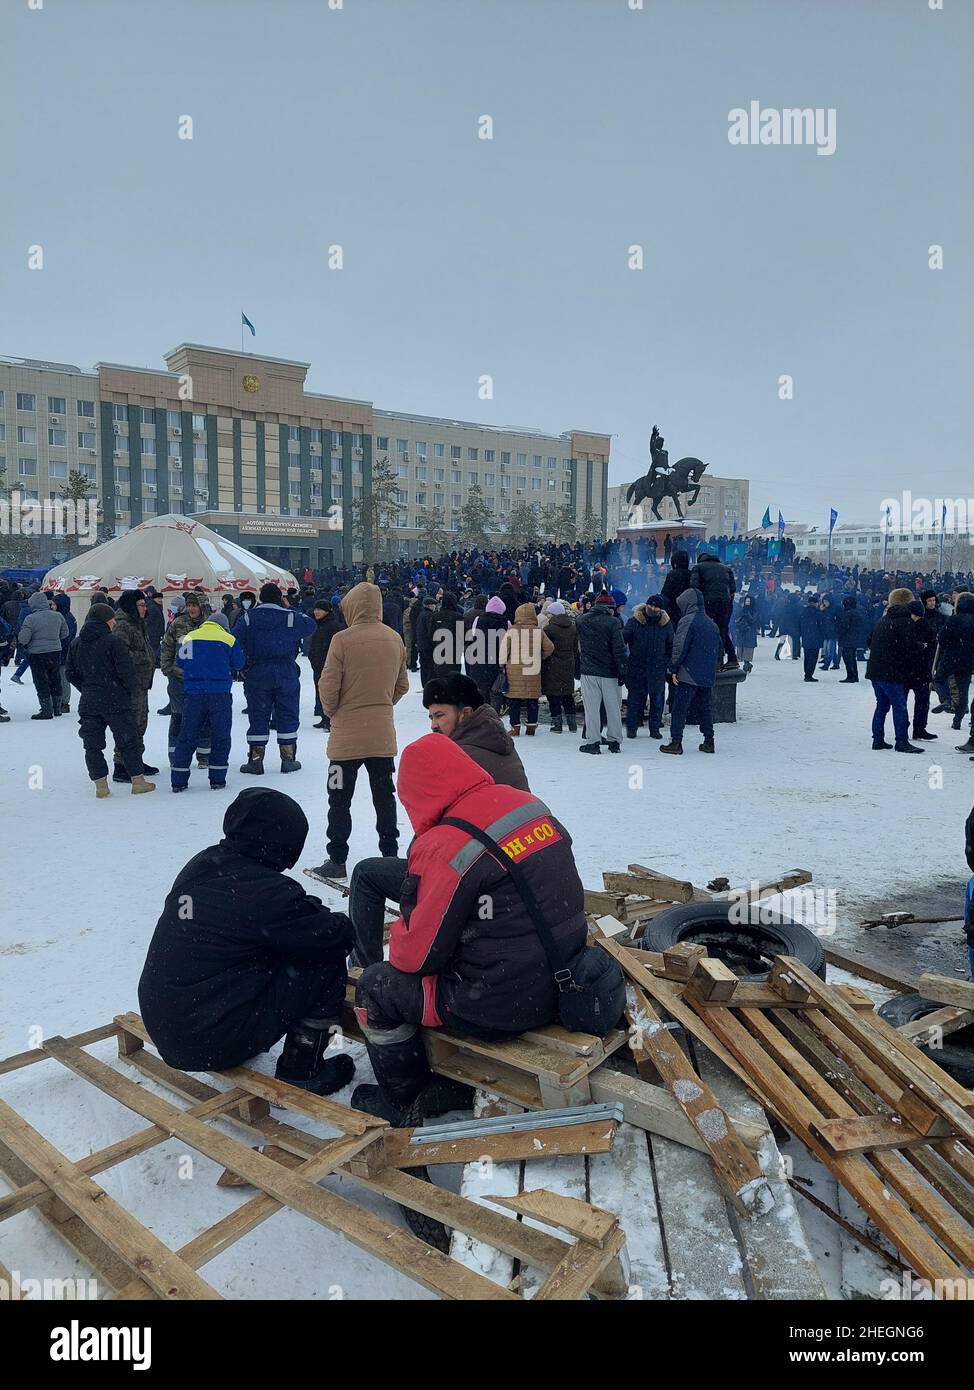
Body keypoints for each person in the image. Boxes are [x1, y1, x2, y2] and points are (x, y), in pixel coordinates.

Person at [351, 735, 589, 1124]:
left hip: (500, 1004)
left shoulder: (447, 844)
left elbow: (415, 958)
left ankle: (404, 1100)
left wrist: (414, 912)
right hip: (567, 972)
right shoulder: (525, 804)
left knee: (377, 986)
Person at [138, 788, 354, 1095]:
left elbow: (257, 917)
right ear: (285, 842)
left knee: (278, 945)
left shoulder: (202, 863)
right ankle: (302, 1070)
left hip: (167, 1025)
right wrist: (314, 913)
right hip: (206, 1040)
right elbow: (337, 935)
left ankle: (235, 1028)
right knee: (323, 958)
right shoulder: (267, 891)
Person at [345, 673, 531, 969]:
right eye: (430, 716)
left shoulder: (460, 756)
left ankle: (362, 970)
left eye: (440, 715)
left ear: (466, 713)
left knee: (367, 874)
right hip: (513, 868)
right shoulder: (495, 740)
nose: (433, 724)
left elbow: (432, 838)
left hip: (479, 877)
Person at [308, 582, 408, 881]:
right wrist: (380, 704)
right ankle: (390, 855)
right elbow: (402, 685)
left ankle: (337, 858)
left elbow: (328, 684)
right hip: (381, 736)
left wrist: (333, 710)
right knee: (384, 796)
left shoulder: (342, 639)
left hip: (345, 741)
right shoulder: (394, 639)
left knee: (339, 798)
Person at [65, 603, 156, 796]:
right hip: (116, 700)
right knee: (128, 741)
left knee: (92, 744)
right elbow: (127, 673)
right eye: (113, 619)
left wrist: (87, 688)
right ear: (106, 620)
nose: (115, 622)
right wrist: (126, 690)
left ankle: (101, 786)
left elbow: (70, 673)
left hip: (89, 702)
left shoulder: (77, 643)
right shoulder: (113, 642)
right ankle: (138, 782)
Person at [234, 583, 316, 774]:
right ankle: (288, 758)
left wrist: (243, 665)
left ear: (260, 598)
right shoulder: (290, 616)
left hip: (257, 671)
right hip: (285, 671)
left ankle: (255, 760)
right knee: (287, 713)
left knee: (258, 715)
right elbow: (310, 625)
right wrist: (289, 608)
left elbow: (234, 640)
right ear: (280, 598)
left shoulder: (248, 617)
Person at [170, 611, 245, 791]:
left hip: (193, 695)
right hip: (220, 695)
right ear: (223, 626)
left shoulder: (188, 637)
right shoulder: (228, 639)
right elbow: (240, 663)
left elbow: (180, 662)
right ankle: (217, 778)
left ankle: (179, 780)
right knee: (220, 736)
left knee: (187, 736)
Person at [660, 588, 721, 755]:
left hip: (688, 672)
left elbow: (680, 647)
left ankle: (676, 742)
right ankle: (709, 741)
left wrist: (673, 668)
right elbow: (718, 649)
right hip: (707, 673)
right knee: (705, 707)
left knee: (680, 708)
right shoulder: (711, 623)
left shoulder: (688, 620)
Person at [865, 588, 924, 753]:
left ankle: (877, 739)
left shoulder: (883, 619)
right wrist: (921, 646)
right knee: (900, 706)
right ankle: (901, 741)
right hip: (891, 672)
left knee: (881, 706)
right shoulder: (905, 622)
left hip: (875, 670)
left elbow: (869, 640)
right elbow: (910, 646)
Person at [110, 591, 159, 781]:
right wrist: (144, 658)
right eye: (140, 604)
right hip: (129, 686)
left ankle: (135, 760)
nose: (144, 608)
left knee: (140, 724)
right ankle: (120, 764)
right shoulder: (123, 627)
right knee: (128, 725)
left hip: (141, 684)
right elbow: (119, 655)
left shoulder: (138, 625)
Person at [161, 593, 211, 763]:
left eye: (194, 605)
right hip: (179, 679)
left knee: (204, 718)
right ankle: (175, 755)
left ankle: (204, 754)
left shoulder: (211, 625)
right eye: (189, 605)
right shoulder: (178, 623)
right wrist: (168, 668)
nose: (191, 609)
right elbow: (167, 646)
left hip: (203, 680)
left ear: (202, 606)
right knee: (178, 717)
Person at [577, 592, 628, 754]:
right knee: (613, 708)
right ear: (609, 608)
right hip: (610, 672)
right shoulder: (613, 623)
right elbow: (619, 650)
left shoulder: (582, 621)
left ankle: (593, 742)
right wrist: (622, 671)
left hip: (589, 671)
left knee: (591, 709)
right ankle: (614, 741)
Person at [499, 601, 553, 736]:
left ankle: (515, 727)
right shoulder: (538, 631)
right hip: (532, 670)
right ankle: (531, 727)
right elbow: (550, 648)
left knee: (514, 700)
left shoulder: (511, 631)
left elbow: (504, 651)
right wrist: (540, 656)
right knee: (532, 699)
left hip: (514, 670)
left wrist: (502, 664)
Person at [624, 595, 672, 739]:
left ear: (661, 609)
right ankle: (632, 728)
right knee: (635, 700)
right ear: (646, 605)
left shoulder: (666, 625)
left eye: (656, 606)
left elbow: (670, 645)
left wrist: (667, 664)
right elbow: (623, 640)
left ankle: (655, 728)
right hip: (637, 667)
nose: (653, 608)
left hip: (658, 669)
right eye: (651, 605)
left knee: (657, 701)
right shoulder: (634, 622)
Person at [18, 592, 67, 720]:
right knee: (55, 678)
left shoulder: (30, 619)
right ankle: (57, 708)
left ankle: (46, 710)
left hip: (37, 654)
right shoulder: (58, 616)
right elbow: (65, 633)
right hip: (55, 652)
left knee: (41, 681)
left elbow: (24, 638)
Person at [933, 592, 974, 735]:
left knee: (938, 680)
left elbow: (943, 639)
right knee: (963, 692)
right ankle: (957, 720)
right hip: (969, 660)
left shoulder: (953, 619)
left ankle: (946, 699)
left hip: (951, 658)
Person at [689, 551, 738, 668]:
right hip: (724, 605)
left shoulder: (698, 568)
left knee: (707, 630)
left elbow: (695, 588)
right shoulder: (726, 569)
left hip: (707, 604)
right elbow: (733, 589)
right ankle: (729, 658)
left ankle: (714, 661)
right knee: (722, 631)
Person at [540, 600, 579, 733]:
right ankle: (572, 724)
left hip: (552, 665)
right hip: (568, 664)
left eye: (549, 613)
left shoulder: (548, 629)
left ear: (554, 614)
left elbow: (545, 648)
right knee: (567, 694)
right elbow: (575, 649)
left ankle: (557, 724)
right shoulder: (572, 627)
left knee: (553, 695)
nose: (548, 616)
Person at [309, 598, 343, 730]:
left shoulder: (333, 626)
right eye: (315, 609)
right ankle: (324, 718)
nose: (316, 612)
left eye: (319, 609)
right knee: (321, 692)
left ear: (327, 611)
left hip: (327, 665)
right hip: (318, 665)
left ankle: (329, 720)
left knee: (328, 692)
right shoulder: (320, 624)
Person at [52, 593, 77, 714]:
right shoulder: (66, 617)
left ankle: (64, 702)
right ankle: (61, 701)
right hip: (62, 652)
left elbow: (66, 637)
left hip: (62, 652)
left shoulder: (66, 618)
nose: (52, 606)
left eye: (54, 604)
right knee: (61, 678)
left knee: (63, 679)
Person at [836, 595, 863, 682]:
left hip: (847, 638)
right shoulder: (857, 612)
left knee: (847, 658)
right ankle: (855, 675)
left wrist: (839, 633)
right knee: (852, 658)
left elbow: (844, 626)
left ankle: (850, 676)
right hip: (855, 637)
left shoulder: (847, 614)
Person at [799, 594, 824, 682]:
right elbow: (821, 625)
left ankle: (807, 673)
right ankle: (809, 675)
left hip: (806, 637)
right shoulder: (817, 613)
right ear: (816, 603)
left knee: (807, 656)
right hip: (815, 637)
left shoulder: (803, 611)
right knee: (813, 658)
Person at [734, 593, 759, 674]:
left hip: (749, 633)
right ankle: (747, 665)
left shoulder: (754, 610)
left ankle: (747, 665)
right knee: (741, 650)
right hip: (741, 632)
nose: (747, 603)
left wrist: (747, 615)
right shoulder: (741, 609)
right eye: (746, 601)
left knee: (747, 651)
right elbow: (737, 619)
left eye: (749, 601)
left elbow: (753, 620)